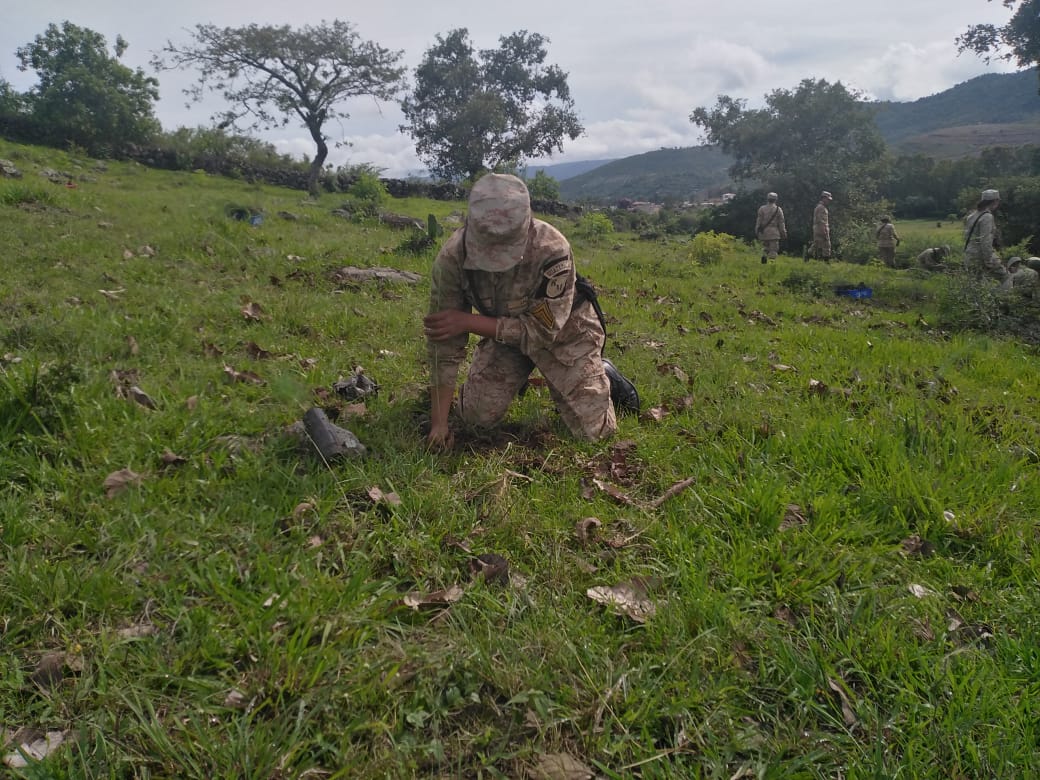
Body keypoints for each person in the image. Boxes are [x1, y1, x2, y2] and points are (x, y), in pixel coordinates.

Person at [423, 173, 637, 449]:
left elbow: (543, 331)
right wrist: (439, 424)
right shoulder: (452, 258)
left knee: (594, 434)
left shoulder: (552, 250)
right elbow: (443, 342)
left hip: (565, 335)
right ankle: (525, 376)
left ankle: (603, 373)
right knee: (474, 418)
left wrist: (468, 322)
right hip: (506, 340)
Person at [963, 188, 1008, 287]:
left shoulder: (971, 216)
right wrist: (988, 261)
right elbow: (985, 240)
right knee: (1004, 275)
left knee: (975, 285)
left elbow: (966, 237)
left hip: (969, 255)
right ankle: (1003, 296)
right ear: (995, 201)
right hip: (980, 255)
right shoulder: (987, 216)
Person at [755, 192, 787, 264]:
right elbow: (781, 223)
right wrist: (783, 232)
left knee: (765, 248)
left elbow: (758, 221)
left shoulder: (762, 208)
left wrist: (757, 231)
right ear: (776, 200)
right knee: (773, 249)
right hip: (774, 232)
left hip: (764, 232)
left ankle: (763, 262)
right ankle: (772, 264)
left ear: (767, 199)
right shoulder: (778, 209)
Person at [811, 190, 833, 261]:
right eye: (828, 199)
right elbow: (820, 220)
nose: (828, 201)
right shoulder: (821, 208)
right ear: (824, 198)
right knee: (826, 244)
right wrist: (824, 230)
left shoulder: (821, 207)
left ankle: (808, 255)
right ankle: (826, 260)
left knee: (816, 244)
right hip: (821, 228)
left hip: (819, 228)